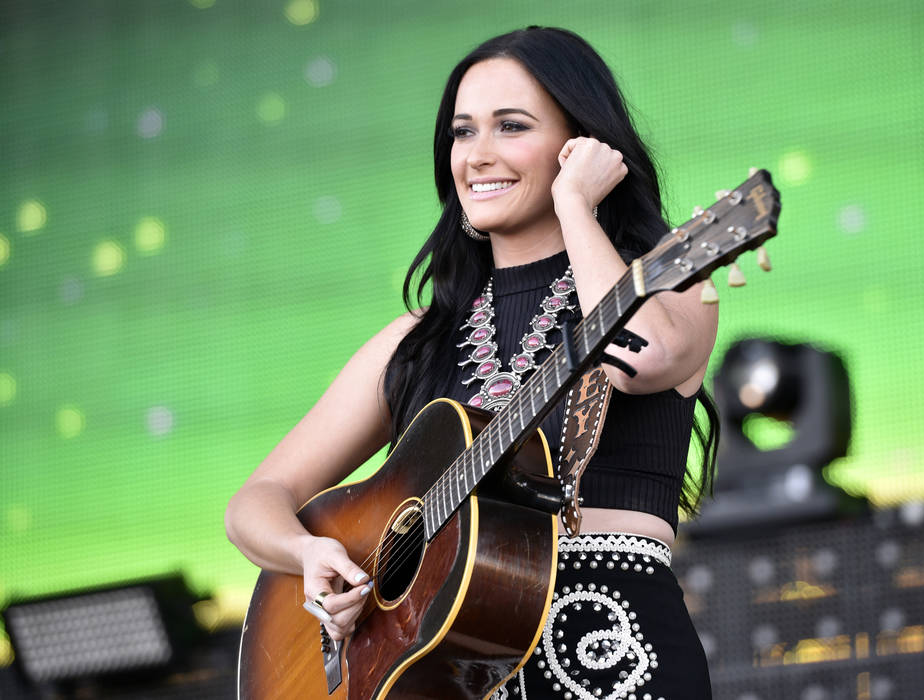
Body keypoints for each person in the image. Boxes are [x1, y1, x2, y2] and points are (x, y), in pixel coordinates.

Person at [226, 26, 718, 700]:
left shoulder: (669, 287)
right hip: (446, 677)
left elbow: (645, 352)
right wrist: (313, 556)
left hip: (612, 655)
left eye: (510, 127)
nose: (477, 156)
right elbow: (255, 504)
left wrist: (577, 206)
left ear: (581, 146)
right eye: (462, 133)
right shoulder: (416, 341)